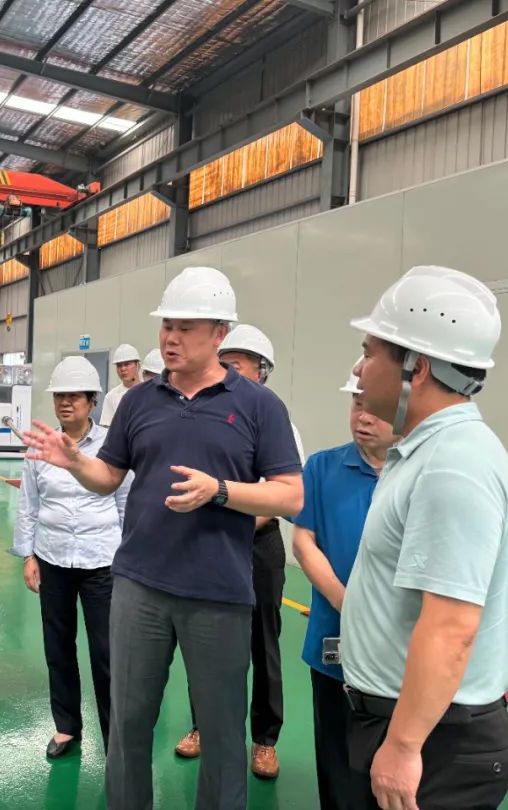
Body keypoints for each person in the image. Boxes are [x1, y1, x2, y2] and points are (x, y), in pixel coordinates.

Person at [24, 266, 303, 810]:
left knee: (222, 732)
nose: (171, 338)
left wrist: (220, 491)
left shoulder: (258, 406)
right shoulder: (139, 402)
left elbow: (290, 496)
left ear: (219, 334)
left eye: (185, 328)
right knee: (129, 724)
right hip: (139, 587)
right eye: (166, 326)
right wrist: (76, 462)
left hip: (218, 593)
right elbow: (109, 477)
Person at [341, 265, 508, 809]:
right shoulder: (429, 451)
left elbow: (451, 628)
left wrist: (402, 746)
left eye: (369, 352)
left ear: (415, 368)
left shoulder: (453, 465)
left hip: (433, 743)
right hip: (418, 728)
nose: (359, 368)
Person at [174, 324, 304, 776]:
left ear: (262, 371)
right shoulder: (207, 418)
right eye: (223, 362)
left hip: (257, 545)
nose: (227, 371)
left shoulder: (277, 420)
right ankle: (203, 726)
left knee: (263, 644)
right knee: (205, 643)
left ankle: (264, 740)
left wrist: (238, 515)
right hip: (210, 543)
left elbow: (285, 494)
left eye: (237, 364)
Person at [10, 356, 129, 759]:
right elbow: (28, 504)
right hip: (53, 559)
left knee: (107, 653)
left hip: (102, 563)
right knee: (58, 647)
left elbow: (125, 504)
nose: (65, 402)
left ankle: (115, 737)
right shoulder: (42, 446)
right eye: (59, 395)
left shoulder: (112, 446)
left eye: (74, 396)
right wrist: (28, 555)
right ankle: (66, 727)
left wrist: (126, 558)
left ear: (92, 400)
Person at [291, 357, 395, 810]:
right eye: (356, 404)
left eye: (374, 407)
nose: (362, 417)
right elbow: (303, 541)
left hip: (400, 651)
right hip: (335, 640)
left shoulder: (420, 472)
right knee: (336, 761)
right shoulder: (322, 467)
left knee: (392, 767)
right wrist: (345, 602)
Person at [99, 344, 141, 427]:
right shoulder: (111, 397)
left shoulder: (149, 392)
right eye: (119, 365)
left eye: (127, 364)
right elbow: (107, 428)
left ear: (138, 366)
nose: (123, 369)